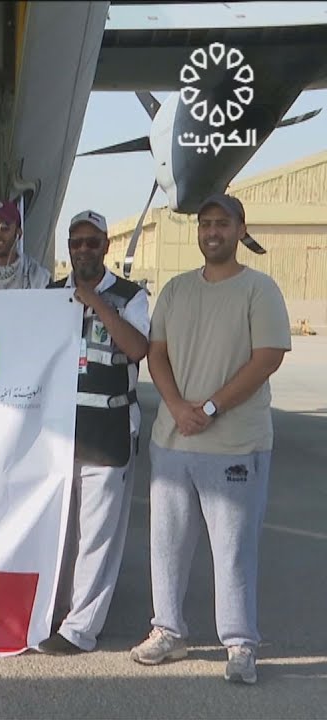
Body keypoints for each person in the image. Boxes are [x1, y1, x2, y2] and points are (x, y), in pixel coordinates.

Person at [130, 193, 290, 684]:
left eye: (222, 223)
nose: (212, 232)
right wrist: (178, 407)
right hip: (173, 442)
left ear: (241, 230)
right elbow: (156, 353)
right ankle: (168, 630)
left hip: (234, 446)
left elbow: (267, 358)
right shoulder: (176, 290)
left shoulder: (259, 290)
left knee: (234, 549)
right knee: (167, 545)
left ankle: (240, 643)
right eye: (205, 224)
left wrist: (212, 407)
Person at [39, 210, 149, 655]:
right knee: (60, 532)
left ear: (106, 245)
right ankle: (55, 610)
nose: (83, 249)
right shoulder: (50, 295)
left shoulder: (130, 296)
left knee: (97, 534)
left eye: (91, 242)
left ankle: (80, 629)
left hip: (108, 428)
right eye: (76, 242)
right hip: (60, 431)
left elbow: (138, 348)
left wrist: (96, 303)